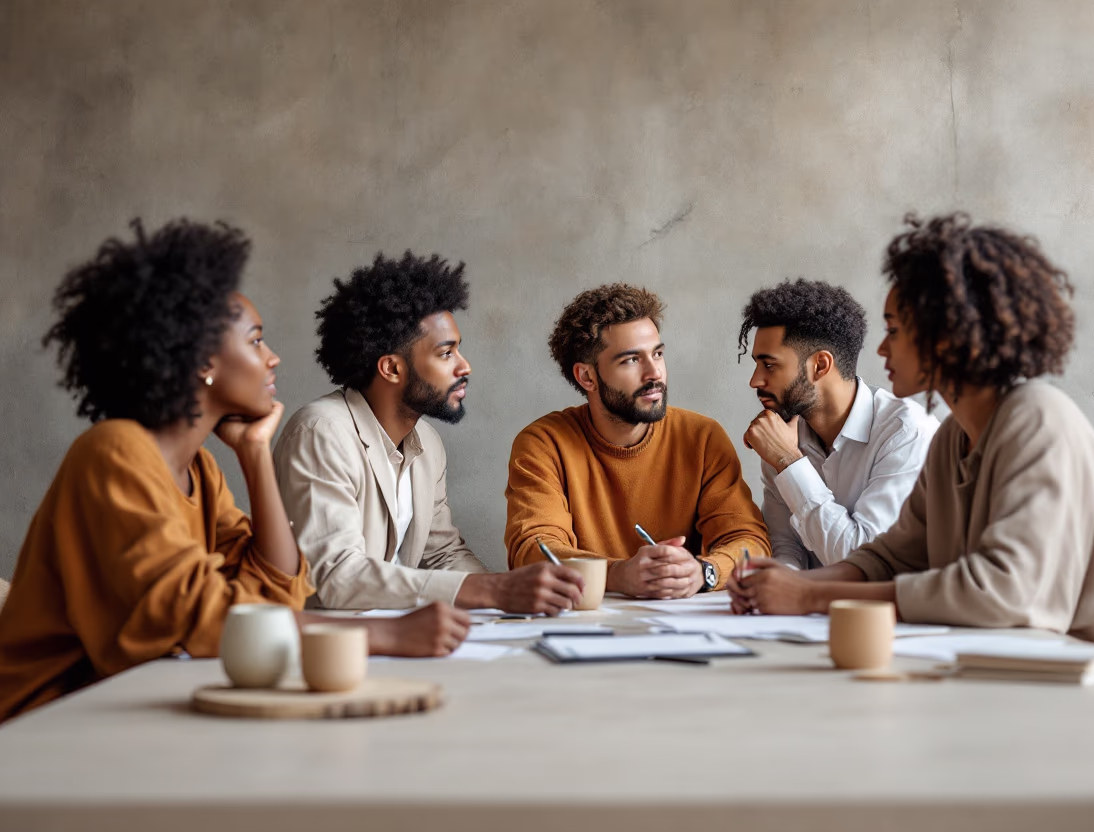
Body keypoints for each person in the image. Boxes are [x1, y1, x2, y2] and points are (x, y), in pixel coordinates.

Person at [0, 220, 469, 724]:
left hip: (132, 712)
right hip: (47, 725)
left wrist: (254, 453)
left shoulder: (199, 467)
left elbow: (276, 594)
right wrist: (386, 635)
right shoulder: (114, 453)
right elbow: (207, 622)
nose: (273, 358)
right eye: (256, 341)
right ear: (203, 359)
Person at [729, 213, 1094, 683]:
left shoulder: (1037, 418)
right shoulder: (952, 438)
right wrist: (789, 585)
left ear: (945, 336)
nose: (882, 349)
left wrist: (808, 596)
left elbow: (1004, 592)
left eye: (894, 330)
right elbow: (888, 558)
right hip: (1022, 677)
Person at [275, 252, 584, 614]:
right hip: (324, 648)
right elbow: (337, 576)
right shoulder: (321, 432)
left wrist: (514, 604)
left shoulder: (428, 444)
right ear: (392, 368)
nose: (464, 365)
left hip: (395, 639)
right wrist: (493, 590)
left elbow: (442, 554)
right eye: (446, 353)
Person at [505, 283, 770, 597]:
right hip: (585, 628)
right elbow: (534, 552)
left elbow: (750, 542)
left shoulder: (702, 437)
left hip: (684, 629)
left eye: (657, 354)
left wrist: (704, 571)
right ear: (586, 377)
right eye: (631, 360)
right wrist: (618, 574)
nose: (654, 373)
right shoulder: (543, 444)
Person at [739, 278, 937, 568]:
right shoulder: (782, 431)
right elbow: (785, 548)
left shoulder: (906, 434)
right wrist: (773, 586)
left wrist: (788, 462)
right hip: (811, 607)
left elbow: (864, 563)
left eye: (770, 365)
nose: (755, 380)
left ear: (820, 365)